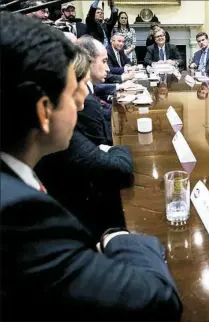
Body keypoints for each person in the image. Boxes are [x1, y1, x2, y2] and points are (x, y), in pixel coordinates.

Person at [0, 12, 182, 320]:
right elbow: (158, 300)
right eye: (74, 92)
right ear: (43, 111)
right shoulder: (20, 217)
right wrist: (119, 238)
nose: (84, 101)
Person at [35, 44, 134, 240]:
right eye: (74, 91)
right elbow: (120, 168)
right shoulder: (61, 134)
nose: (85, 97)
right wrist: (118, 148)